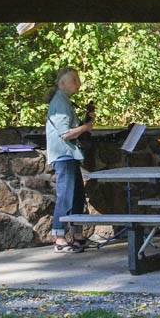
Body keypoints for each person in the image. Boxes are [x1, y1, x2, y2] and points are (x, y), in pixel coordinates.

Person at [45, 67, 94, 253]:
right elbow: (65, 134)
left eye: (78, 79)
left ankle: (78, 237)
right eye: (74, 80)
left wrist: (84, 124)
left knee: (77, 195)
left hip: (70, 155)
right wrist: (86, 127)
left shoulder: (65, 102)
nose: (78, 83)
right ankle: (59, 238)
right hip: (64, 155)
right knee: (66, 196)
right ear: (62, 83)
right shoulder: (59, 103)